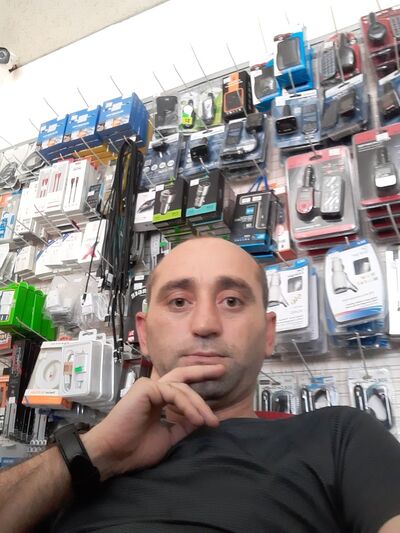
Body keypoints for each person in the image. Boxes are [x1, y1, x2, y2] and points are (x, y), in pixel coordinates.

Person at [0, 236, 400, 533]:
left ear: (268, 334)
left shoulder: (340, 437)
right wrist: (96, 454)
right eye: (179, 302)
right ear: (144, 334)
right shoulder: (80, 461)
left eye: (232, 301)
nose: (205, 324)